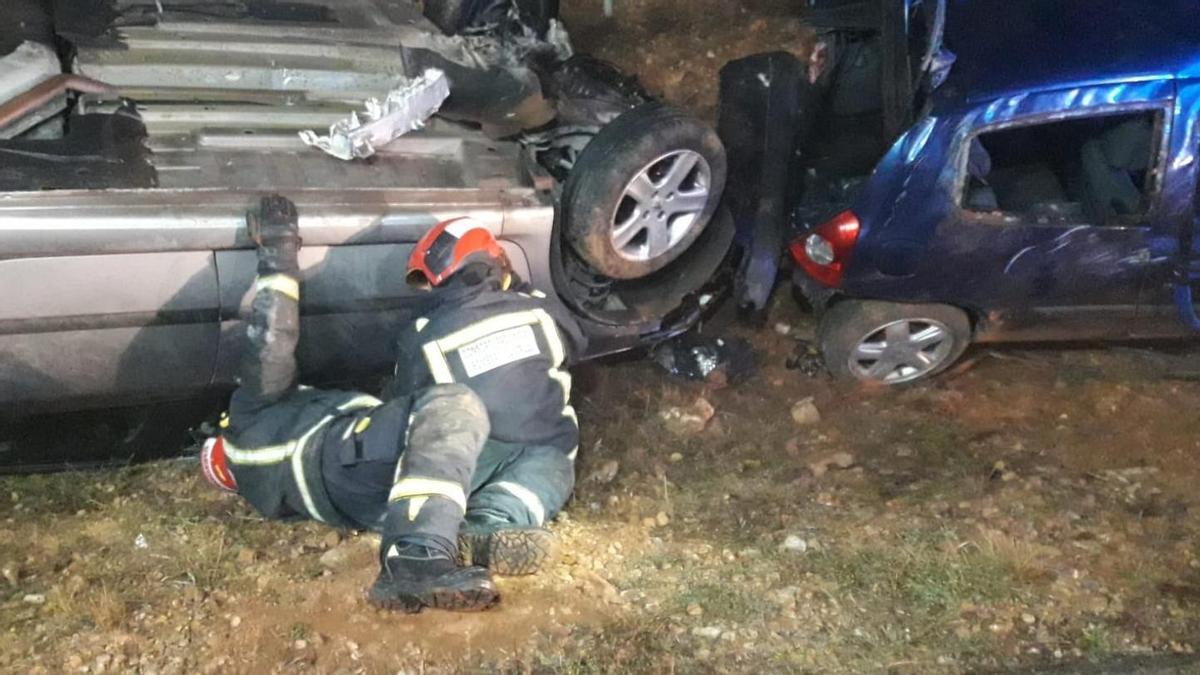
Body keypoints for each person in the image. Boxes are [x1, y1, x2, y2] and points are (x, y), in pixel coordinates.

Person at [200, 194, 585, 613]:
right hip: (340, 462)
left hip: (370, 497)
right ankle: (415, 559)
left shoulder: (268, 478)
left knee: (547, 459)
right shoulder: (249, 420)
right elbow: (272, 339)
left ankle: (475, 531)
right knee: (456, 408)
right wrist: (278, 250)